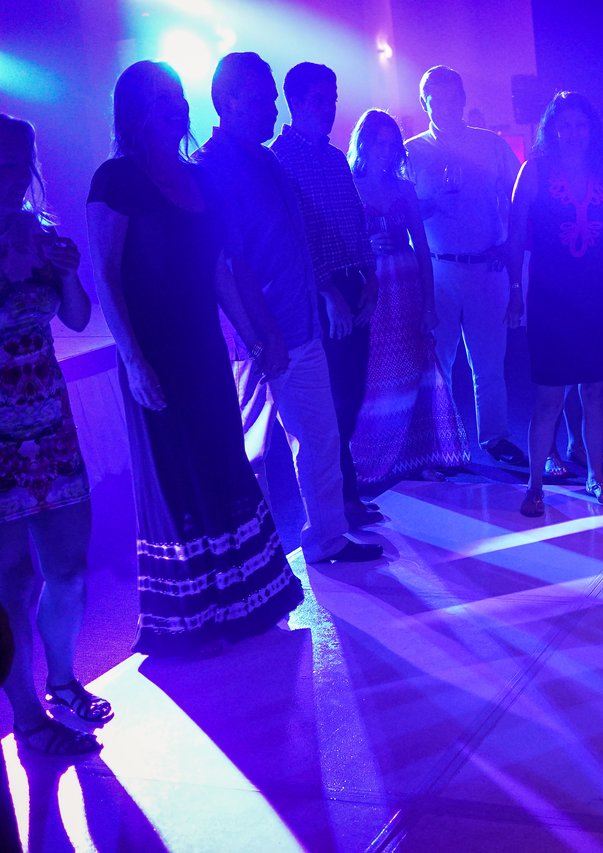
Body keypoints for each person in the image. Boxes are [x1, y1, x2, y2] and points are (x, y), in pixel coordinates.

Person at [86, 62, 304, 656]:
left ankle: (246, 604)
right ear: (133, 111)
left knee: (223, 464)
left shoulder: (198, 180)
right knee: (177, 478)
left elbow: (219, 274)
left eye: (178, 96)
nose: (175, 106)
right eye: (161, 98)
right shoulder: (116, 179)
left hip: (203, 351)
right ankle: (192, 622)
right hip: (154, 355)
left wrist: (256, 339)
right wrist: (133, 360)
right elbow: (106, 275)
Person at [195, 52, 380, 565]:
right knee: (250, 454)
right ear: (226, 101)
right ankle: (251, 563)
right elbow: (230, 266)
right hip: (258, 338)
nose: (274, 110)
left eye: (273, 99)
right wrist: (261, 337)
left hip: (299, 327)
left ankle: (327, 538)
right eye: (262, 99)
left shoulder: (265, 159)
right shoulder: (213, 167)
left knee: (320, 437)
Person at [0, 114, 105, 756]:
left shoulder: (36, 232)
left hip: (48, 418)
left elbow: (78, 316)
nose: (15, 178)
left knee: (67, 568)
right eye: (3, 166)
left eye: (22, 166)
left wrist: (65, 271)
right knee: (12, 582)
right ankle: (28, 719)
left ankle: (62, 681)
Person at [508, 92, 603, 517]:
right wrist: (514, 289)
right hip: (551, 294)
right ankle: (534, 485)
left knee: (596, 389)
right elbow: (515, 235)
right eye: (565, 125)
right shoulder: (534, 170)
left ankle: (597, 477)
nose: (573, 133)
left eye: (581, 125)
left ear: (591, 129)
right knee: (549, 395)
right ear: (552, 129)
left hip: (597, 293)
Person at [272, 63, 382, 528]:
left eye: (333, 98)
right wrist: (329, 292)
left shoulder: (336, 159)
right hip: (319, 292)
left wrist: (372, 278)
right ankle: (340, 505)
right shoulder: (280, 159)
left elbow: (356, 223)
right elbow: (291, 237)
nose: (330, 107)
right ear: (295, 103)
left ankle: (347, 496)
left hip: (353, 283)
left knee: (352, 394)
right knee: (330, 402)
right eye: (320, 99)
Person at [405, 66, 528, 468]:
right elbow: (396, 208)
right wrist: (421, 209)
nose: (444, 105)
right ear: (423, 102)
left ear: (462, 98)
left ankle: (495, 437)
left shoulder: (490, 144)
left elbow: (520, 196)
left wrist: (510, 244)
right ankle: (439, 444)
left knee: (489, 363)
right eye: (435, 99)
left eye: (451, 97)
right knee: (438, 363)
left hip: (485, 267)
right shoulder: (411, 152)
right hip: (436, 271)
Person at [347, 109, 469, 483]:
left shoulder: (404, 189)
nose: (385, 151)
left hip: (407, 284)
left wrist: (429, 304)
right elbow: (336, 243)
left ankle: (420, 455)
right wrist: (367, 245)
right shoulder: (348, 186)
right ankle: (373, 458)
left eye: (391, 144)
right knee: (376, 372)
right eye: (378, 143)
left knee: (415, 367)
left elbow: (422, 248)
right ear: (363, 144)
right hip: (370, 286)